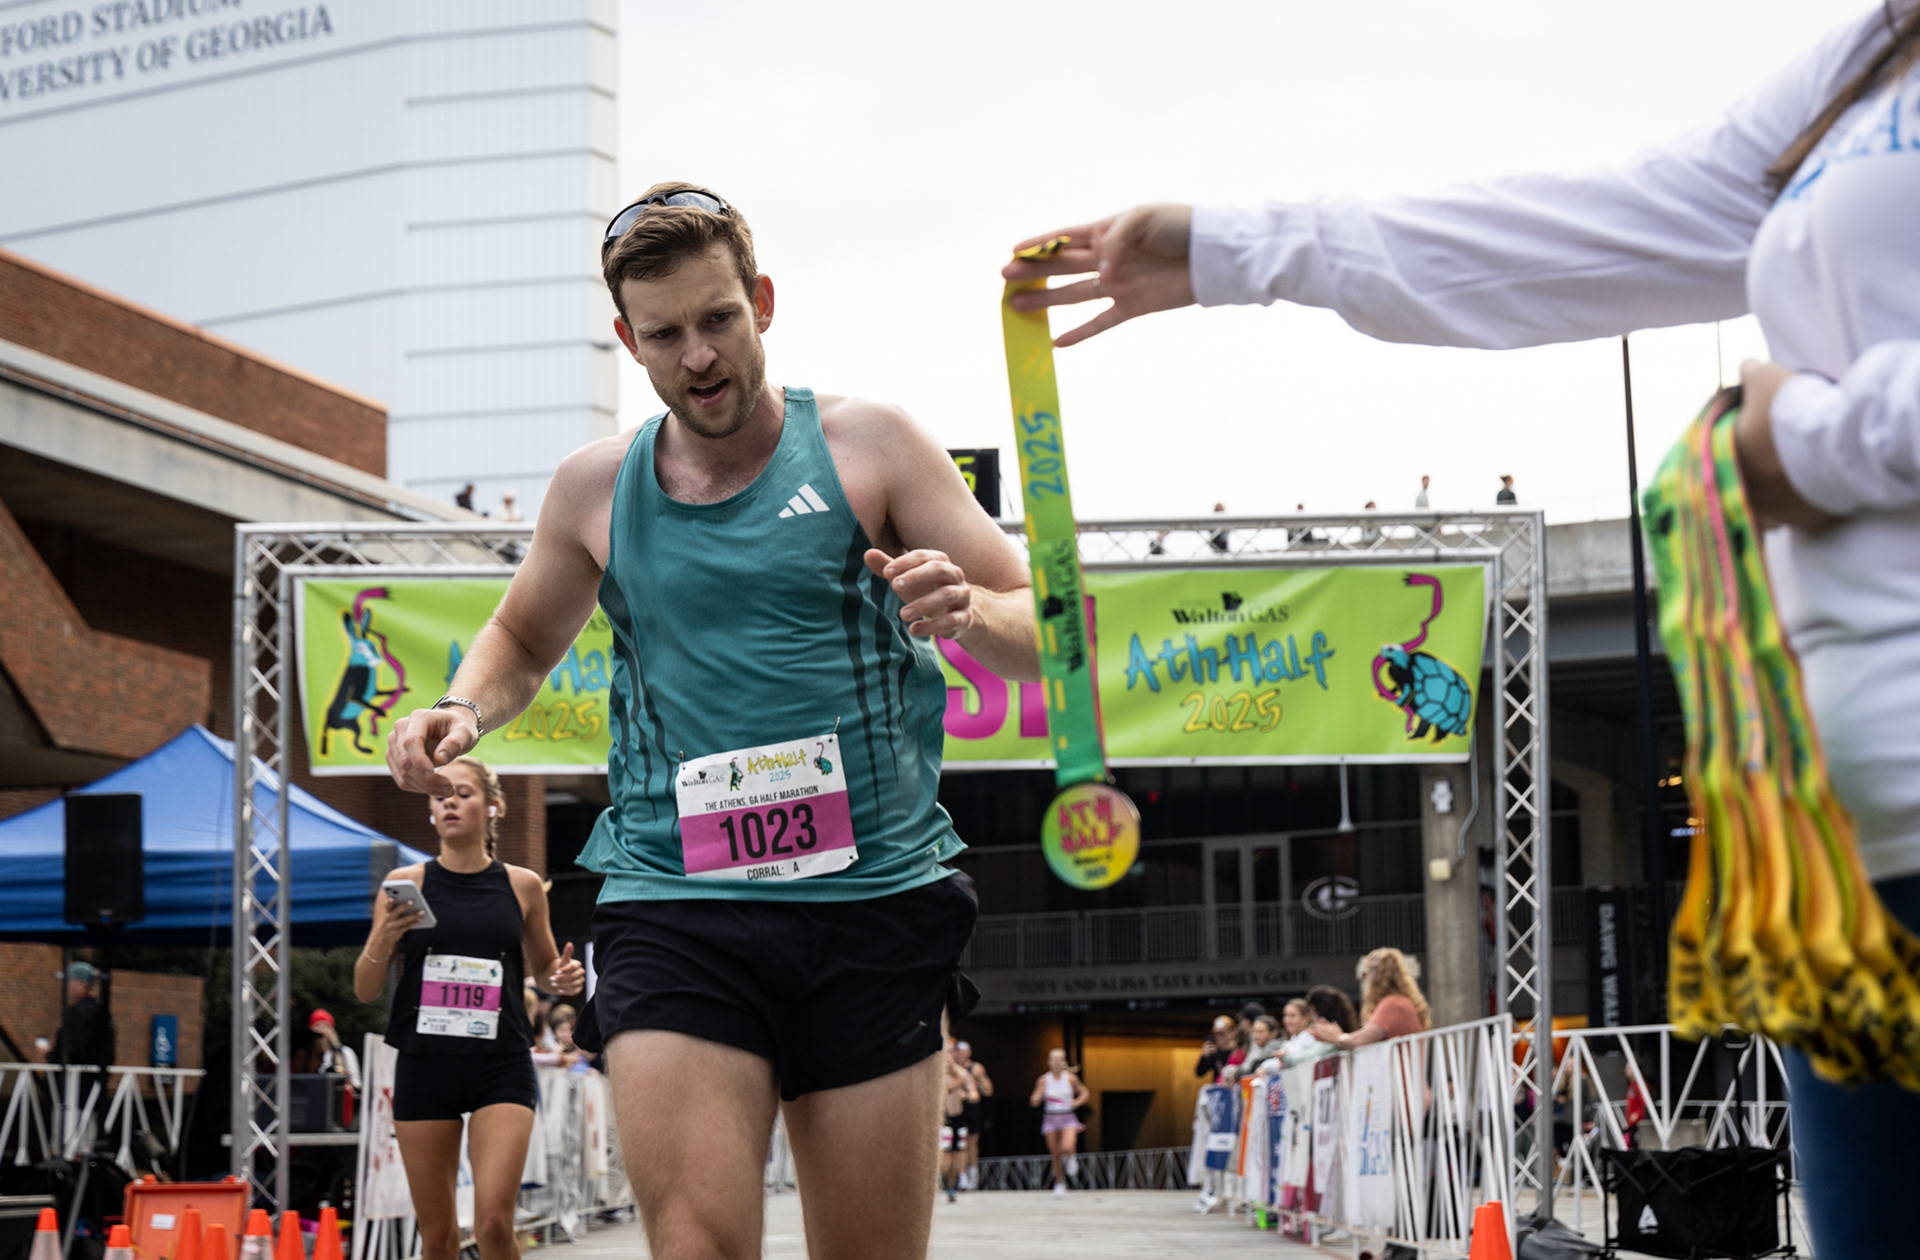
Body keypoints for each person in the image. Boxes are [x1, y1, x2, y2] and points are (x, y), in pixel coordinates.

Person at [1004, 12, 1920, 1246]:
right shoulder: (1869, 56)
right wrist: (1234, 246)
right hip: (1848, 854)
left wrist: (1799, 443)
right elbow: (1600, 226)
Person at [384, 181, 1038, 1260]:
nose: (698, 355)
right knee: (696, 1246)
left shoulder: (871, 446)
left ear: (764, 302)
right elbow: (522, 638)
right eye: (666, 333)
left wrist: (970, 612)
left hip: (873, 903)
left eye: (718, 319)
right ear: (628, 341)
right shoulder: (595, 488)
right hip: (676, 899)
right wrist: (461, 704)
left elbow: (1048, 628)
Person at [353, 754, 585, 1260]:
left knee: (496, 1222)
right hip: (425, 1064)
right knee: (437, 1236)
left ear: (494, 806)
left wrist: (561, 976)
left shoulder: (522, 885)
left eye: (463, 792)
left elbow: (545, 968)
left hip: (499, 1063)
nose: (450, 802)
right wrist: (384, 938)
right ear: (430, 813)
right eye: (440, 796)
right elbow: (366, 989)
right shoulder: (406, 884)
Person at [1309, 948, 1432, 1050]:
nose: (1364, 981)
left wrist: (1337, 1037)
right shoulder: (1402, 1002)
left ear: (1376, 977)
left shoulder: (1392, 1004)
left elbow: (1362, 1039)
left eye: (1364, 975)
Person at [1028, 1048, 1089, 1197]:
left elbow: (1084, 1092)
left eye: (1059, 1059)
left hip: (1067, 1117)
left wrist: (1077, 1102)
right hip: (1051, 1118)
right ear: (1049, 1062)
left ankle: (1070, 1156)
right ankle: (1059, 1183)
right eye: (1053, 1059)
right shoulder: (1043, 1080)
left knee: (1067, 1146)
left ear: (1064, 1062)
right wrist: (1037, 1098)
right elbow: (1034, 1099)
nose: (1056, 1062)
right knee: (1055, 1154)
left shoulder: (1070, 1078)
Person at [939, 1044, 978, 1203]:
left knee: (958, 1154)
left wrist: (968, 1095)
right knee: (945, 1157)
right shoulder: (938, 1075)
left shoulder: (960, 1073)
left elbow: (973, 1092)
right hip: (943, 1120)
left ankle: (952, 1185)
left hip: (958, 1118)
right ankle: (942, 1180)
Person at [951, 1040, 993, 1190]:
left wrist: (977, 1084)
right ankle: (962, 1176)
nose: (960, 1055)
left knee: (972, 1142)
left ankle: (973, 1171)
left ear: (969, 1053)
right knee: (960, 1142)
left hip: (971, 1107)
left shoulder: (975, 1068)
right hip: (955, 1108)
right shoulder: (951, 1068)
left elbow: (987, 1090)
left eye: (963, 1052)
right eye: (958, 1052)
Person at [309, 1009, 362, 1090]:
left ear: (332, 1030)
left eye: (326, 1026)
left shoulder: (345, 1052)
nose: (322, 1030)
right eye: (317, 1026)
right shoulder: (307, 1056)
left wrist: (344, 1077)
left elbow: (356, 1082)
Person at [1194, 1014, 1239, 1082]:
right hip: (1219, 1090)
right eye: (1216, 1034)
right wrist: (1204, 1057)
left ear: (1232, 1033)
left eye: (1222, 1033)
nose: (1219, 1037)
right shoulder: (1215, 1053)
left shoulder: (1239, 1052)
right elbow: (1199, 1073)